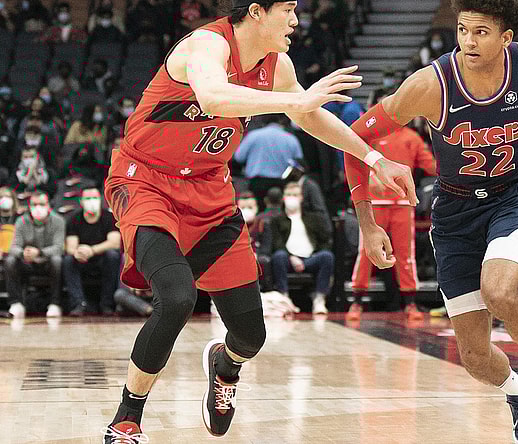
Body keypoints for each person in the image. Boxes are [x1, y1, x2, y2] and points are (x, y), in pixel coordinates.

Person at [100, 1, 417, 442]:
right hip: (147, 181)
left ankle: (225, 368)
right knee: (176, 298)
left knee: (250, 334)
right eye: (287, 9)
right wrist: (296, 99)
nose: (295, 21)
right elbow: (213, 96)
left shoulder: (277, 66)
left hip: (211, 191)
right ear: (255, 12)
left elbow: (308, 115)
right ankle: (125, 420)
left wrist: (374, 157)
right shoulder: (206, 45)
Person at [343, 1, 518, 442]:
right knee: (473, 356)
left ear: (507, 38)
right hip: (455, 212)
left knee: (499, 289)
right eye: (463, 29)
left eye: (481, 32)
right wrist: (368, 224)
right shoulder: (429, 84)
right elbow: (353, 141)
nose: (468, 40)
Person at [347, 88, 437, 321]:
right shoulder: (366, 135)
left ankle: (410, 303)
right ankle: (356, 302)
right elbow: (353, 164)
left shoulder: (411, 138)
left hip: (401, 205)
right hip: (373, 205)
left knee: (406, 254)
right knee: (366, 252)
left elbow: (431, 166)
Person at [262, 181, 334, 314]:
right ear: (283, 197)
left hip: (310, 258)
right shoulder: (277, 220)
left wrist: (314, 254)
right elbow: (277, 243)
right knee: (279, 256)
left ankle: (319, 299)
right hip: (288, 259)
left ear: (301, 197)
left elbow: (324, 241)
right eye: (288, 194)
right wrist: (292, 257)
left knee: (327, 256)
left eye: (295, 194)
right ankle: (284, 298)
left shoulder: (313, 219)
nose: (291, 198)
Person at [5, 192, 65, 319]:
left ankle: (55, 303)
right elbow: (13, 247)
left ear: (49, 205)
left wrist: (39, 252)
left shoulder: (59, 221)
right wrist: (23, 253)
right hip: (28, 263)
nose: (38, 208)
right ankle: (16, 303)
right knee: (10, 261)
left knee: (57, 260)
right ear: (29, 206)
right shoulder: (21, 221)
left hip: (47, 262)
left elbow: (59, 248)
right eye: (34, 204)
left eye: (42, 204)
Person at [64, 187, 121, 316]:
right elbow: (70, 247)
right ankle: (78, 304)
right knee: (68, 260)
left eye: (94, 198)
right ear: (81, 201)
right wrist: (78, 252)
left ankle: (107, 304)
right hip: (82, 259)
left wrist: (92, 250)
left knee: (112, 255)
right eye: (88, 198)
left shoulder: (109, 217)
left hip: (102, 259)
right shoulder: (74, 218)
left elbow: (114, 242)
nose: (91, 201)